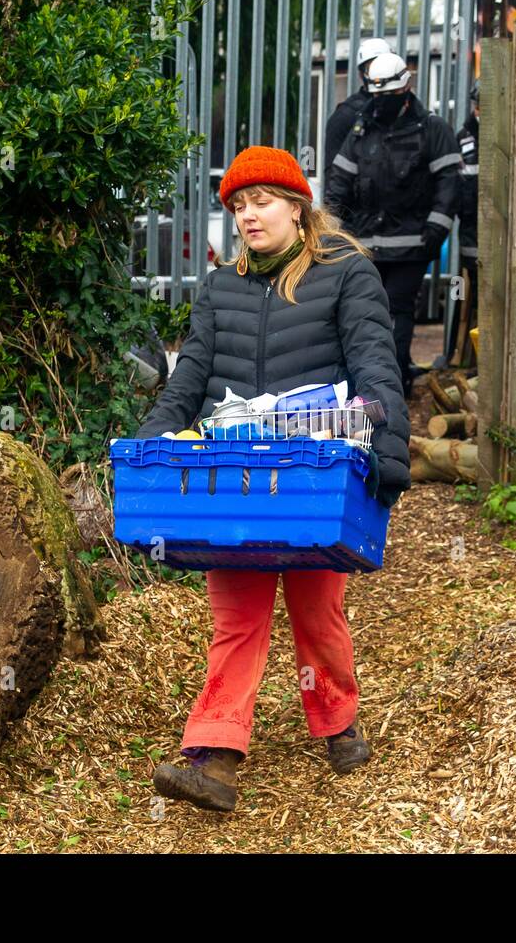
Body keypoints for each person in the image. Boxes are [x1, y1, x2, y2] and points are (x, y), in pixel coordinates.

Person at [135, 145, 411, 813]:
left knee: (318, 611)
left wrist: (388, 446)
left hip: (315, 476)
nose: (248, 217)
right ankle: (214, 753)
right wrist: (145, 449)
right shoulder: (220, 287)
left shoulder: (345, 273)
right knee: (238, 614)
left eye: (261, 202)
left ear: (296, 205)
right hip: (237, 476)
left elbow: (376, 363)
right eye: (237, 206)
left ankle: (338, 719)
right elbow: (190, 381)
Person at [324, 51, 461, 399]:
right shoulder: (361, 129)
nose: (380, 103)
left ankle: (394, 385)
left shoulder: (432, 129)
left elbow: (449, 184)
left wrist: (435, 230)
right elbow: (339, 182)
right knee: (363, 312)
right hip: (366, 244)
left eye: (387, 96)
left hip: (412, 245)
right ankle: (362, 385)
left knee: (398, 313)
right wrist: (332, 230)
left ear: (405, 88)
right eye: (376, 96)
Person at [322, 37, 392, 177]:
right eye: (373, 67)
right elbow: (334, 175)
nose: (380, 72)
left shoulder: (407, 110)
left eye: (384, 65)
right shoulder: (346, 116)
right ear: (362, 74)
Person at [454, 79, 479, 361]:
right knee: (468, 298)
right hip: (471, 232)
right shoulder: (462, 138)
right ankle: (461, 355)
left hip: (499, 235)